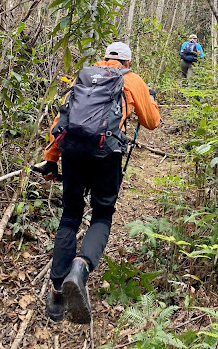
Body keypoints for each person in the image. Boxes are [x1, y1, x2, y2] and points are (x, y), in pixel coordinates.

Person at [34, 42, 160, 323]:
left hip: (73, 152)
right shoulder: (132, 80)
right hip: (107, 155)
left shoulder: (85, 76)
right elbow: (151, 122)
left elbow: (62, 120)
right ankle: (80, 267)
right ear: (128, 62)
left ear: (104, 59)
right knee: (101, 215)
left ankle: (56, 292)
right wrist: (149, 99)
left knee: (70, 215)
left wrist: (51, 159)